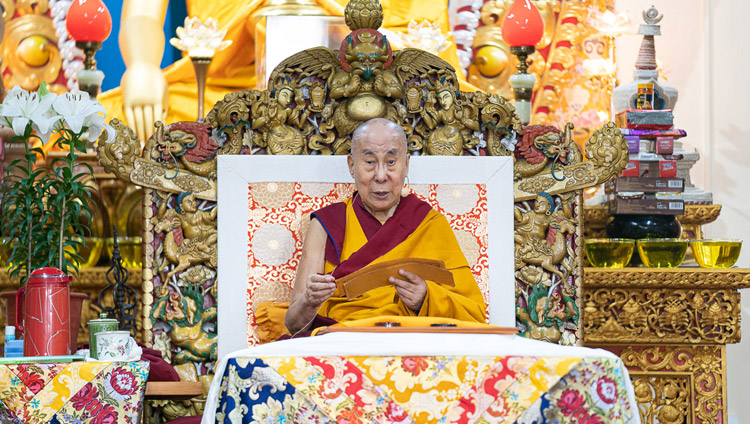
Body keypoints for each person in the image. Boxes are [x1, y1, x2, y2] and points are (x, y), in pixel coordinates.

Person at [284, 118, 486, 335]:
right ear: (352, 166)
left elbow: (474, 314)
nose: (381, 176)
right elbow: (294, 324)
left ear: (406, 164)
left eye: (391, 162)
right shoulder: (327, 224)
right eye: (369, 162)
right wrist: (309, 300)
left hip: (412, 345)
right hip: (343, 343)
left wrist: (426, 298)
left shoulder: (430, 223)